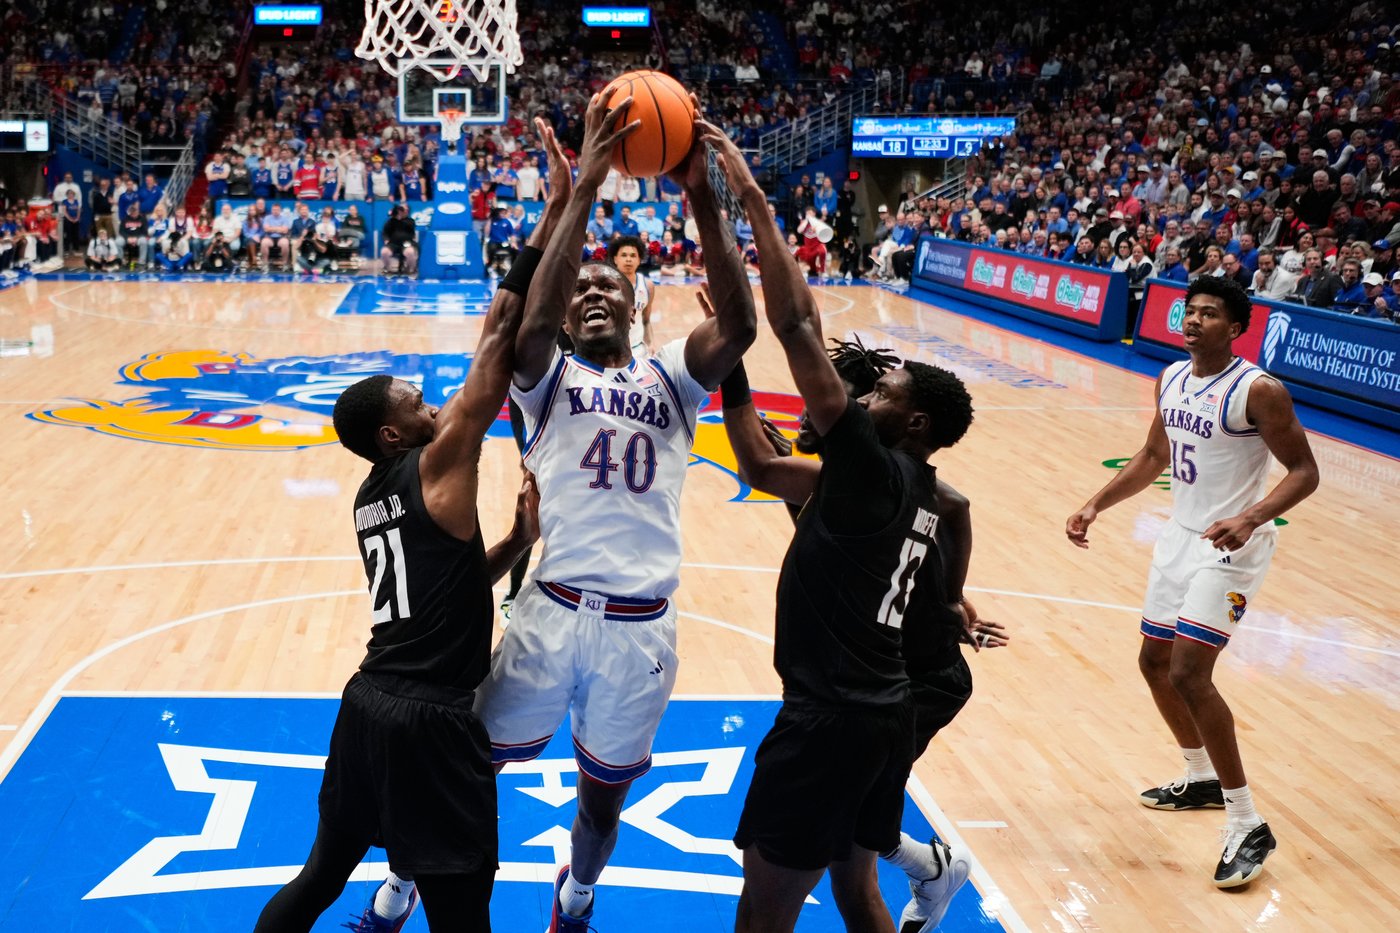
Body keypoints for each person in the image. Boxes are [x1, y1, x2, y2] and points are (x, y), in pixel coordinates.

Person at [370, 92, 755, 933]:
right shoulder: (543, 383)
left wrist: (699, 194)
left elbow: (741, 329)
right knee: (462, 762)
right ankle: (400, 885)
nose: (589, 292)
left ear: (633, 302)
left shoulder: (671, 378)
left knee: (603, 798)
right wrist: (581, 187)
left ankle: (576, 896)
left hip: (641, 630)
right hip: (550, 612)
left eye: (605, 284)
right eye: (577, 283)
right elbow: (530, 322)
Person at [255, 120, 570, 933]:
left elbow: (443, 588)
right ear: (396, 434)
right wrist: (556, 213)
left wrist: (515, 544)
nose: (434, 404)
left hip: (368, 703)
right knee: (464, 914)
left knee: (321, 875)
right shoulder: (433, 463)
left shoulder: (372, 494)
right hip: (432, 719)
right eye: (416, 403)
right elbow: (500, 335)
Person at [699, 119, 975, 933]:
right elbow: (759, 464)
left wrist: (748, 196)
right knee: (856, 893)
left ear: (914, 421)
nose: (863, 399)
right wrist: (734, 359)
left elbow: (799, 329)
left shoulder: (867, 467)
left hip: (828, 722)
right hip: (879, 714)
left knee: (765, 911)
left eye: (882, 393)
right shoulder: (920, 489)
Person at [720, 332, 1008, 932]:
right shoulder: (884, 484)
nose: (821, 414)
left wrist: (955, 599)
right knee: (849, 867)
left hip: (903, 682)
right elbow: (840, 543)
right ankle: (929, 865)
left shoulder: (884, 475)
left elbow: (949, 507)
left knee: (794, 879)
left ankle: (931, 866)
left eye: (866, 398)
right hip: (883, 694)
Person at [1065, 276, 1319, 889]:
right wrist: (1097, 504)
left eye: (1209, 313)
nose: (1194, 319)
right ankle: (1200, 775)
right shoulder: (1171, 377)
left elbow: (1305, 471)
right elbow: (1154, 455)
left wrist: (1252, 515)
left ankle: (1246, 822)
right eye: (1190, 310)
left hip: (1232, 545)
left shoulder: (1258, 390)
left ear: (1235, 328)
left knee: (1187, 672)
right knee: (1153, 663)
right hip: (1178, 537)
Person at [607, 235, 653, 357]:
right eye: (624, 255)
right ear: (615, 258)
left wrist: (651, 343)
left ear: (639, 260)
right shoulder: (604, 285)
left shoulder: (648, 285)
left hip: (638, 350)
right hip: (610, 351)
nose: (628, 259)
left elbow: (646, 320)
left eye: (633, 256)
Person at [381, 205, 418, 276]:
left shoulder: (410, 221)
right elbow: (385, 232)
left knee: (410, 252)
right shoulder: (391, 221)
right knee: (384, 252)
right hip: (393, 244)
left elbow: (409, 227)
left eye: (404, 210)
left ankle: (410, 269)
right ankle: (388, 269)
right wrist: (386, 239)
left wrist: (400, 219)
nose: (402, 212)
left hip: (406, 243)